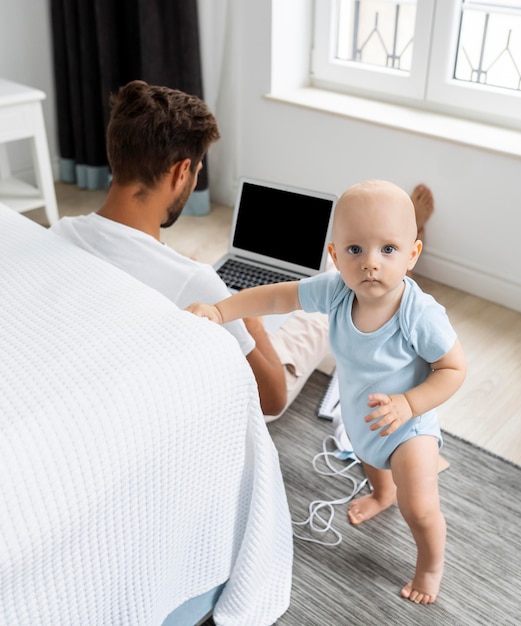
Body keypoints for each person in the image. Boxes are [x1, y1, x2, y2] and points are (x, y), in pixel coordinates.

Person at [185, 179, 467, 605]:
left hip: (410, 423)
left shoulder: (419, 314)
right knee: (371, 458)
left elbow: (453, 368)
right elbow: (279, 298)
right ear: (334, 256)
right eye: (356, 250)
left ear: (413, 256)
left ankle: (430, 566)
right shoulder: (336, 291)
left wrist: (409, 404)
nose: (371, 263)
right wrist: (222, 309)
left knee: (421, 508)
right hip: (363, 414)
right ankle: (381, 493)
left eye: (388, 250)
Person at [50, 79, 329, 420]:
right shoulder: (197, 283)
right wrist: (248, 316)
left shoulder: (59, 234)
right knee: (320, 315)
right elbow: (272, 399)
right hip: (220, 402)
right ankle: (388, 271)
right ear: (182, 172)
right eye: (196, 170)